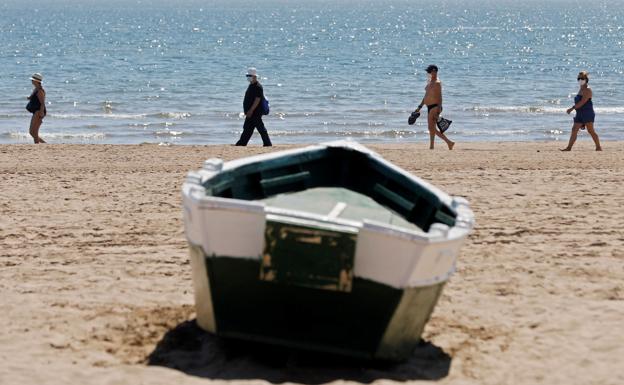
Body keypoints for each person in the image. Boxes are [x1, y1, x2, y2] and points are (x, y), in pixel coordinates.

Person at [414, 65, 454, 150]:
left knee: (430, 128)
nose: (434, 72)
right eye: (432, 71)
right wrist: (420, 107)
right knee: (432, 128)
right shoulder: (429, 82)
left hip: (435, 106)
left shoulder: (437, 83)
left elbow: (440, 96)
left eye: (435, 70)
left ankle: (449, 142)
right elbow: (425, 96)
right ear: (429, 72)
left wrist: (439, 108)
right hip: (429, 107)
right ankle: (432, 146)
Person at [561, 71, 602, 151]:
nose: (580, 80)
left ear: (586, 79)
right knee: (574, 129)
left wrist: (571, 108)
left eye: (582, 78)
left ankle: (598, 147)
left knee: (590, 131)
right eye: (578, 78)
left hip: (587, 113)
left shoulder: (587, 90)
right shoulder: (581, 88)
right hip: (579, 113)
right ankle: (569, 148)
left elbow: (582, 102)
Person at [235, 67, 272, 146]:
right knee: (247, 128)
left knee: (260, 128)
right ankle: (242, 143)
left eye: (250, 76)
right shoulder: (251, 85)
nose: (248, 77)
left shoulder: (258, 87)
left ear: (255, 76)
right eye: (247, 76)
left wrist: (251, 110)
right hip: (250, 112)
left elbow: (257, 99)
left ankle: (267, 143)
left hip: (255, 112)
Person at [26, 73, 46, 144]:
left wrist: (41, 113)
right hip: (36, 111)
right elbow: (32, 97)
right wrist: (29, 97)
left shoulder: (40, 91)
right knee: (32, 132)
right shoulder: (36, 89)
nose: (31, 81)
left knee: (33, 132)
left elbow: (42, 103)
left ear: (36, 81)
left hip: (39, 111)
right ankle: (44, 144)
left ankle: (38, 145)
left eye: (32, 80)